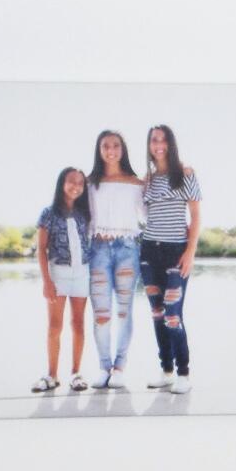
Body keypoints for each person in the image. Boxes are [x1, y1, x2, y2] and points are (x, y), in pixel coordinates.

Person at [139, 124, 202, 394]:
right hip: (148, 252)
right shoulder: (149, 180)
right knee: (157, 314)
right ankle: (166, 371)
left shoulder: (185, 174)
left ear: (171, 144)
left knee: (172, 316)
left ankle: (183, 374)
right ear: (150, 145)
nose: (158, 144)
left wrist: (190, 251)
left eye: (163, 140)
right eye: (154, 140)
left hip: (176, 251)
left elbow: (196, 217)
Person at [82, 129, 143, 392]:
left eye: (116, 145)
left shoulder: (136, 183)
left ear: (123, 149)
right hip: (98, 249)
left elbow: (149, 215)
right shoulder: (88, 182)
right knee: (101, 313)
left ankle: (120, 367)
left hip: (128, 248)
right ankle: (103, 367)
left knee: (124, 311)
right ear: (99, 149)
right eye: (105, 145)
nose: (111, 150)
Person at [33, 166, 91, 393]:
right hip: (58, 273)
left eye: (80, 183)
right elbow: (41, 249)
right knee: (54, 326)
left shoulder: (84, 213)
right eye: (71, 182)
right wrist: (46, 281)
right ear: (62, 184)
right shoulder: (48, 213)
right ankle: (51, 375)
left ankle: (76, 373)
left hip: (82, 273)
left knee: (78, 324)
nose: (76, 186)